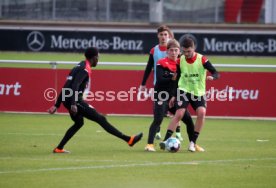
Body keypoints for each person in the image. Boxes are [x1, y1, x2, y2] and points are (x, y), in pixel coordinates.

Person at [48, 47, 143, 153]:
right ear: (94, 58)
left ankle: (59, 148)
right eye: (98, 57)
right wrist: (74, 103)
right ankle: (129, 140)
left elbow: (66, 86)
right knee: (101, 119)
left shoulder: (79, 65)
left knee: (79, 123)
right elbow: (75, 85)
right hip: (74, 101)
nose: (98, 60)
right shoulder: (85, 69)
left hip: (68, 99)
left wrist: (57, 105)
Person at [160, 37, 219, 152]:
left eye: (189, 51)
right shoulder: (179, 60)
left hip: (198, 91)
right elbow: (176, 79)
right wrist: (173, 95)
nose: (186, 54)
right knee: (179, 113)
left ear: (194, 48)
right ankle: (166, 141)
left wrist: (213, 77)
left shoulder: (202, 59)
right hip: (184, 90)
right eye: (184, 51)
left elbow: (215, 72)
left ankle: (193, 143)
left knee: (202, 113)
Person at [144, 39, 195, 152]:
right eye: (171, 50)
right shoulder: (161, 62)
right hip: (161, 95)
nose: (173, 52)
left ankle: (193, 144)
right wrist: (172, 77)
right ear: (167, 52)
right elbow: (161, 79)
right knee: (158, 119)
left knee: (189, 120)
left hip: (175, 96)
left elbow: (181, 82)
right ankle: (149, 144)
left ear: (179, 52)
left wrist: (175, 93)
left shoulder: (182, 64)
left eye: (176, 50)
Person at [139, 25, 184, 141]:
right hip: (160, 84)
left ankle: (178, 132)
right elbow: (149, 67)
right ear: (158, 36)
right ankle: (157, 132)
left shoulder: (175, 50)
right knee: (159, 111)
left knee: (178, 109)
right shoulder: (154, 50)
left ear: (169, 36)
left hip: (175, 85)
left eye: (165, 35)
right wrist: (143, 84)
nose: (163, 37)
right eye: (161, 35)